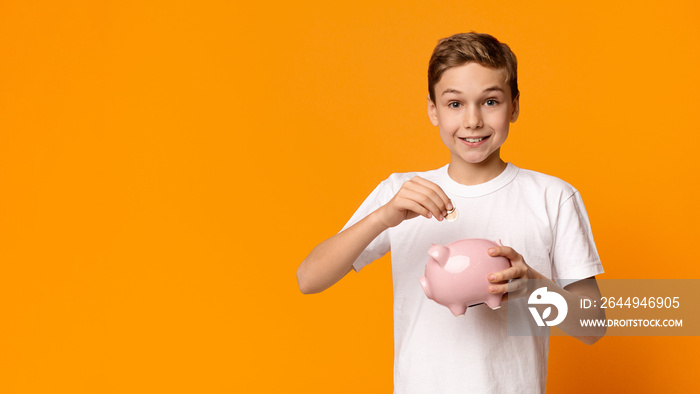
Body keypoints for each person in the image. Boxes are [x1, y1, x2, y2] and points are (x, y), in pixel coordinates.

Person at [297, 32, 605, 393]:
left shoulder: (553, 197)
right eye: (455, 104)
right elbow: (308, 279)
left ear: (515, 106)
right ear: (433, 110)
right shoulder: (402, 194)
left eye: (490, 101)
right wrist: (383, 216)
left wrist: (532, 286)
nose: (473, 120)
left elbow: (593, 326)